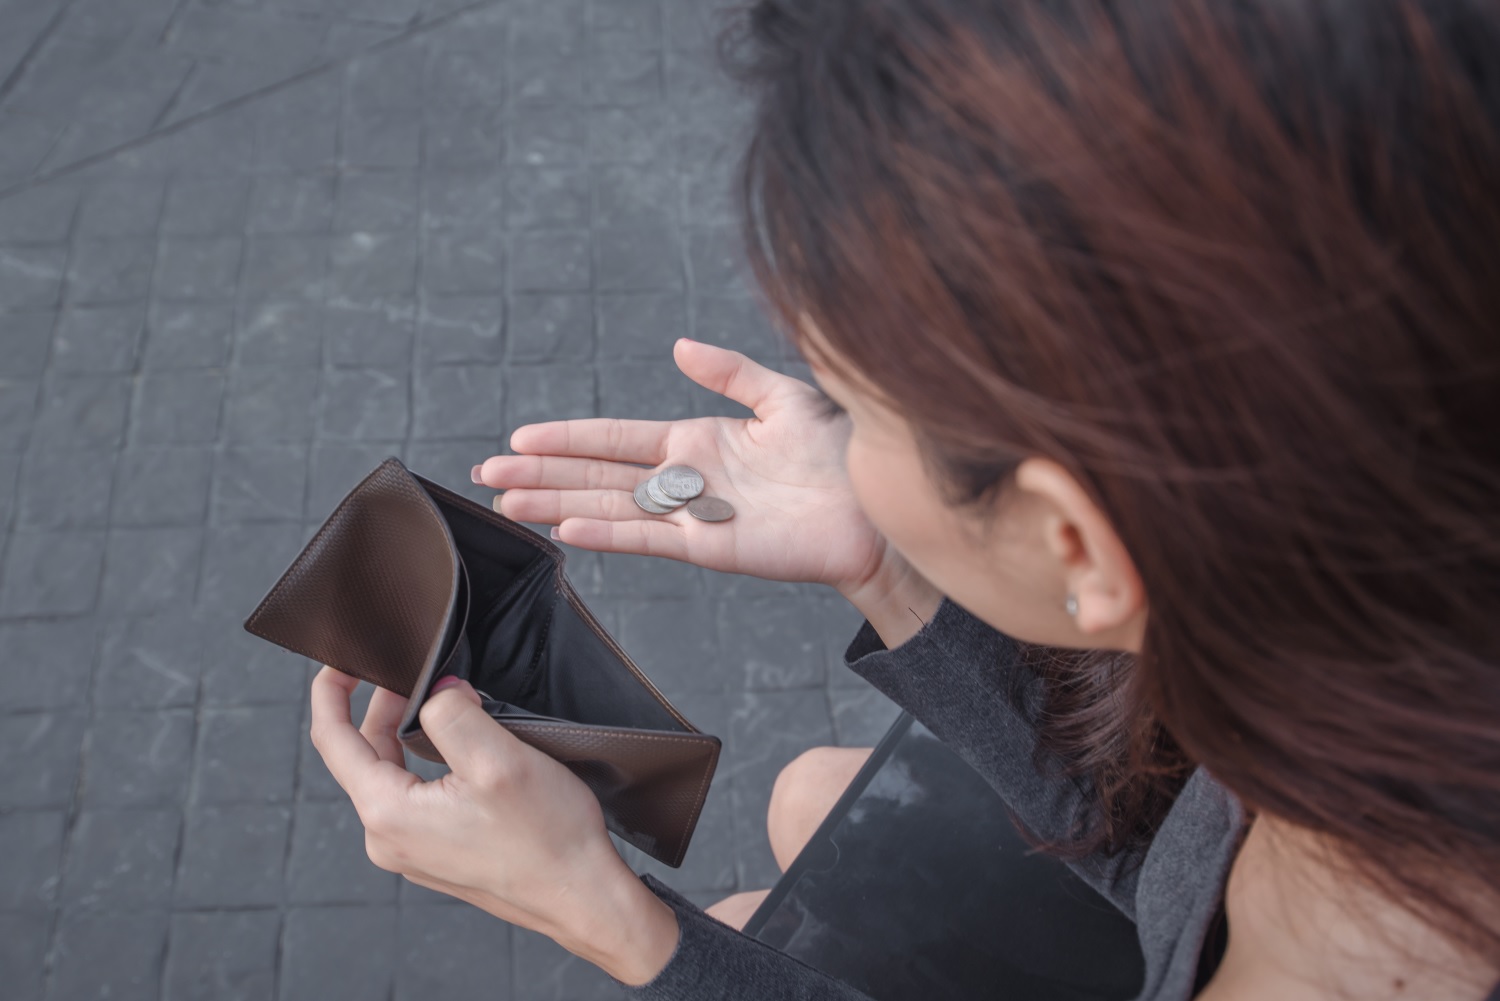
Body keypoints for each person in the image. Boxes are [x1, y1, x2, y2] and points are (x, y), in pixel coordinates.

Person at [306, 0, 1500, 997]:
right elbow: (1181, 858)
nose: (832, 441)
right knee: (808, 800)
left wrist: (607, 916)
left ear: (1077, 538)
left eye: (863, 408)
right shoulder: (1388, 621)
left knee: (744, 906)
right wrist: (887, 564)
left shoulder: (1348, 954)